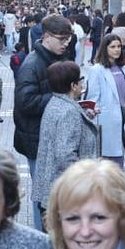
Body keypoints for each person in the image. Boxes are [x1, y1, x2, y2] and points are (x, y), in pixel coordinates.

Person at [15, 14, 73, 227]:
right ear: (47, 36)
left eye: (69, 39)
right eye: (62, 39)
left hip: (52, 138)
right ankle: (42, 240)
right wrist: (61, 97)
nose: (66, 44)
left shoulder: (56, 58)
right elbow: (25, 103)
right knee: (43, 197)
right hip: (37, 142)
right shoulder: (32, 65)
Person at [32, 61, 99, 220]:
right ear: (73, 85)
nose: (82, 82)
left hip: (51, 191)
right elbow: (64, 156)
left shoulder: (55, 103)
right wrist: (83, 182)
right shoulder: (69, 111)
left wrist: (86, 115)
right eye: (80, 79)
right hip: (66, 195)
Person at [86, 33, 125, 168]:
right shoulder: (97, 70)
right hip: (108, 118)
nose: (117, 49)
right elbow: (92, 98)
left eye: (119, 46)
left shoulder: (123, 68)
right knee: (110, 159)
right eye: (113, 47)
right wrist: (94, 111)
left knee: (124, 154)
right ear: (105, 48)